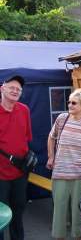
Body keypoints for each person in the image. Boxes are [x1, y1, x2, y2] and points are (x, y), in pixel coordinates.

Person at [46, 88, 81, 240]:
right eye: (69, 101)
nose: (69, 104)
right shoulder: (62, 119)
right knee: (59, 210)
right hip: (60, 172)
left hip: (80, 174)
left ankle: (78, 236)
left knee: (78, 211)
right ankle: (58, 237)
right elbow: (51, 137)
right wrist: (51, 157)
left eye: (73, 102)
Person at [0, 75, 32, 240]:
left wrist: (28, 155)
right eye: (11, 87)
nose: (15, 91)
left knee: (17, 215)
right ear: (2, 88)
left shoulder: (24, 110)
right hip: (0, 177)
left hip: (20, 174)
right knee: (0, 219)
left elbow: (26, 138)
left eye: (18, 89)